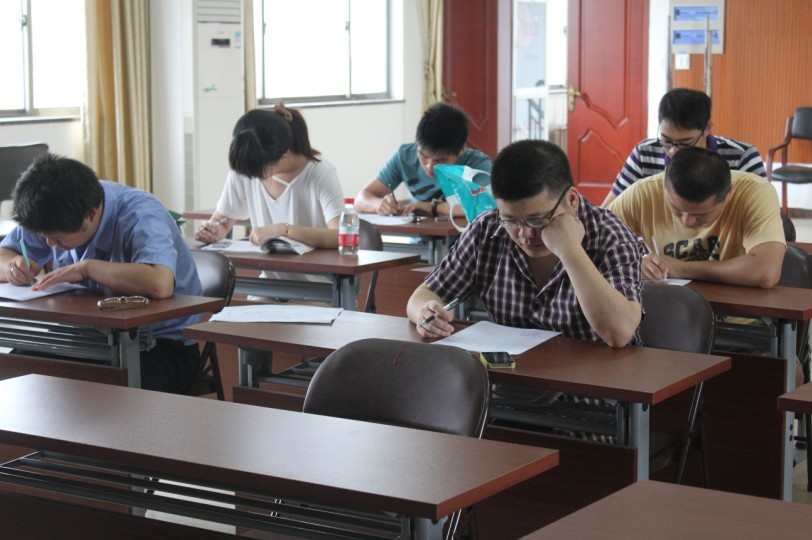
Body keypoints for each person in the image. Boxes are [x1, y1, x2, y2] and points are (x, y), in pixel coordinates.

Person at [407, 139, 643, 348]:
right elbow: (424, 295)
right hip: (511, 376)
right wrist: (426, 314)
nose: (525, 234)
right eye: (511, 221)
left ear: (571, 200)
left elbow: (619, 334)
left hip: (592, 381)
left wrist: (570, 250)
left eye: (537, 220)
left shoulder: (610, 236)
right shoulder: (487, 229)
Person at [0, 153, 204, 394]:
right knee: (16, 376)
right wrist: (13, 266)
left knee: (109, 398)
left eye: (57, 238)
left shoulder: (141, 214)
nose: (49, 244)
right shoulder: (50, 207)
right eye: (44, 237)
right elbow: (5, 254)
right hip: (85, 334)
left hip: (158, 343)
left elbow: (159, 283)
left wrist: (87, 268)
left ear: (91, 215)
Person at [607, 146, 785, 287]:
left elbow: (765, 271)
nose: (687, 221)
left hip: (735, 313)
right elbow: (595, 245)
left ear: (728, 194)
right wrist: (633, 263)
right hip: (664, 309)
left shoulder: (754, 192)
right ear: (665, 185)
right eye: (676, 208)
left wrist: (681, 268)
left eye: (700, 214)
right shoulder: (644, 192)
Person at [195, 104, 344, 251]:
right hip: (265, 267)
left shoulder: (320, 173)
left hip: (313, 267)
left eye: (258, 170)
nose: (251, 176)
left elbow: (341, 236)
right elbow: (222, 222)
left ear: (284, 153)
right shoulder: (246, 168)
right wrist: (212, 231)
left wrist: (283, 230)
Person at [601, 88, 766, 208]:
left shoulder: (742, 157)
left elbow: (762, 214)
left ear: (707, 129)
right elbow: (609, 210)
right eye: (666, 140)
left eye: (685, 143)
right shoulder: (645, 154)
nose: (673, 150)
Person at [354, 102, 492, 219]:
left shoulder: (477, 164)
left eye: (440, 160)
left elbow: (484, 204)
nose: (429, 166)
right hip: (419, 240)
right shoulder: (404, 156)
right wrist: (378, 204)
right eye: (424, 156)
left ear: (461, 149)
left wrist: (434, 207)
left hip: (464, 241)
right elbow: (361, 199)